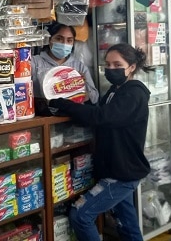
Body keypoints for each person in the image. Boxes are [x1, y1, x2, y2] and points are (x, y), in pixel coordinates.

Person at [48, 43, 152, 241]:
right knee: (127, 224)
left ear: (131, 67)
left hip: (121, 173)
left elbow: (102, 117)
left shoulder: (133, 94)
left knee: (80, 215)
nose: (111, 69)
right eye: (108, 65)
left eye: (117, 65)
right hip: (117, 169)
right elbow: (97, 113)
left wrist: (64, 103)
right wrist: (77, 100)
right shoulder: (116, 90)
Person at [32, 22, 99, 115]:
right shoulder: (35, 62)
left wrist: (83, 86)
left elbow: (94, 98)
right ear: (50, 40)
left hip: (73, 117)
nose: (64, 44)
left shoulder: (79, 66)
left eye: (69, 40)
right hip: (44, 118)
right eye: (59, 39)